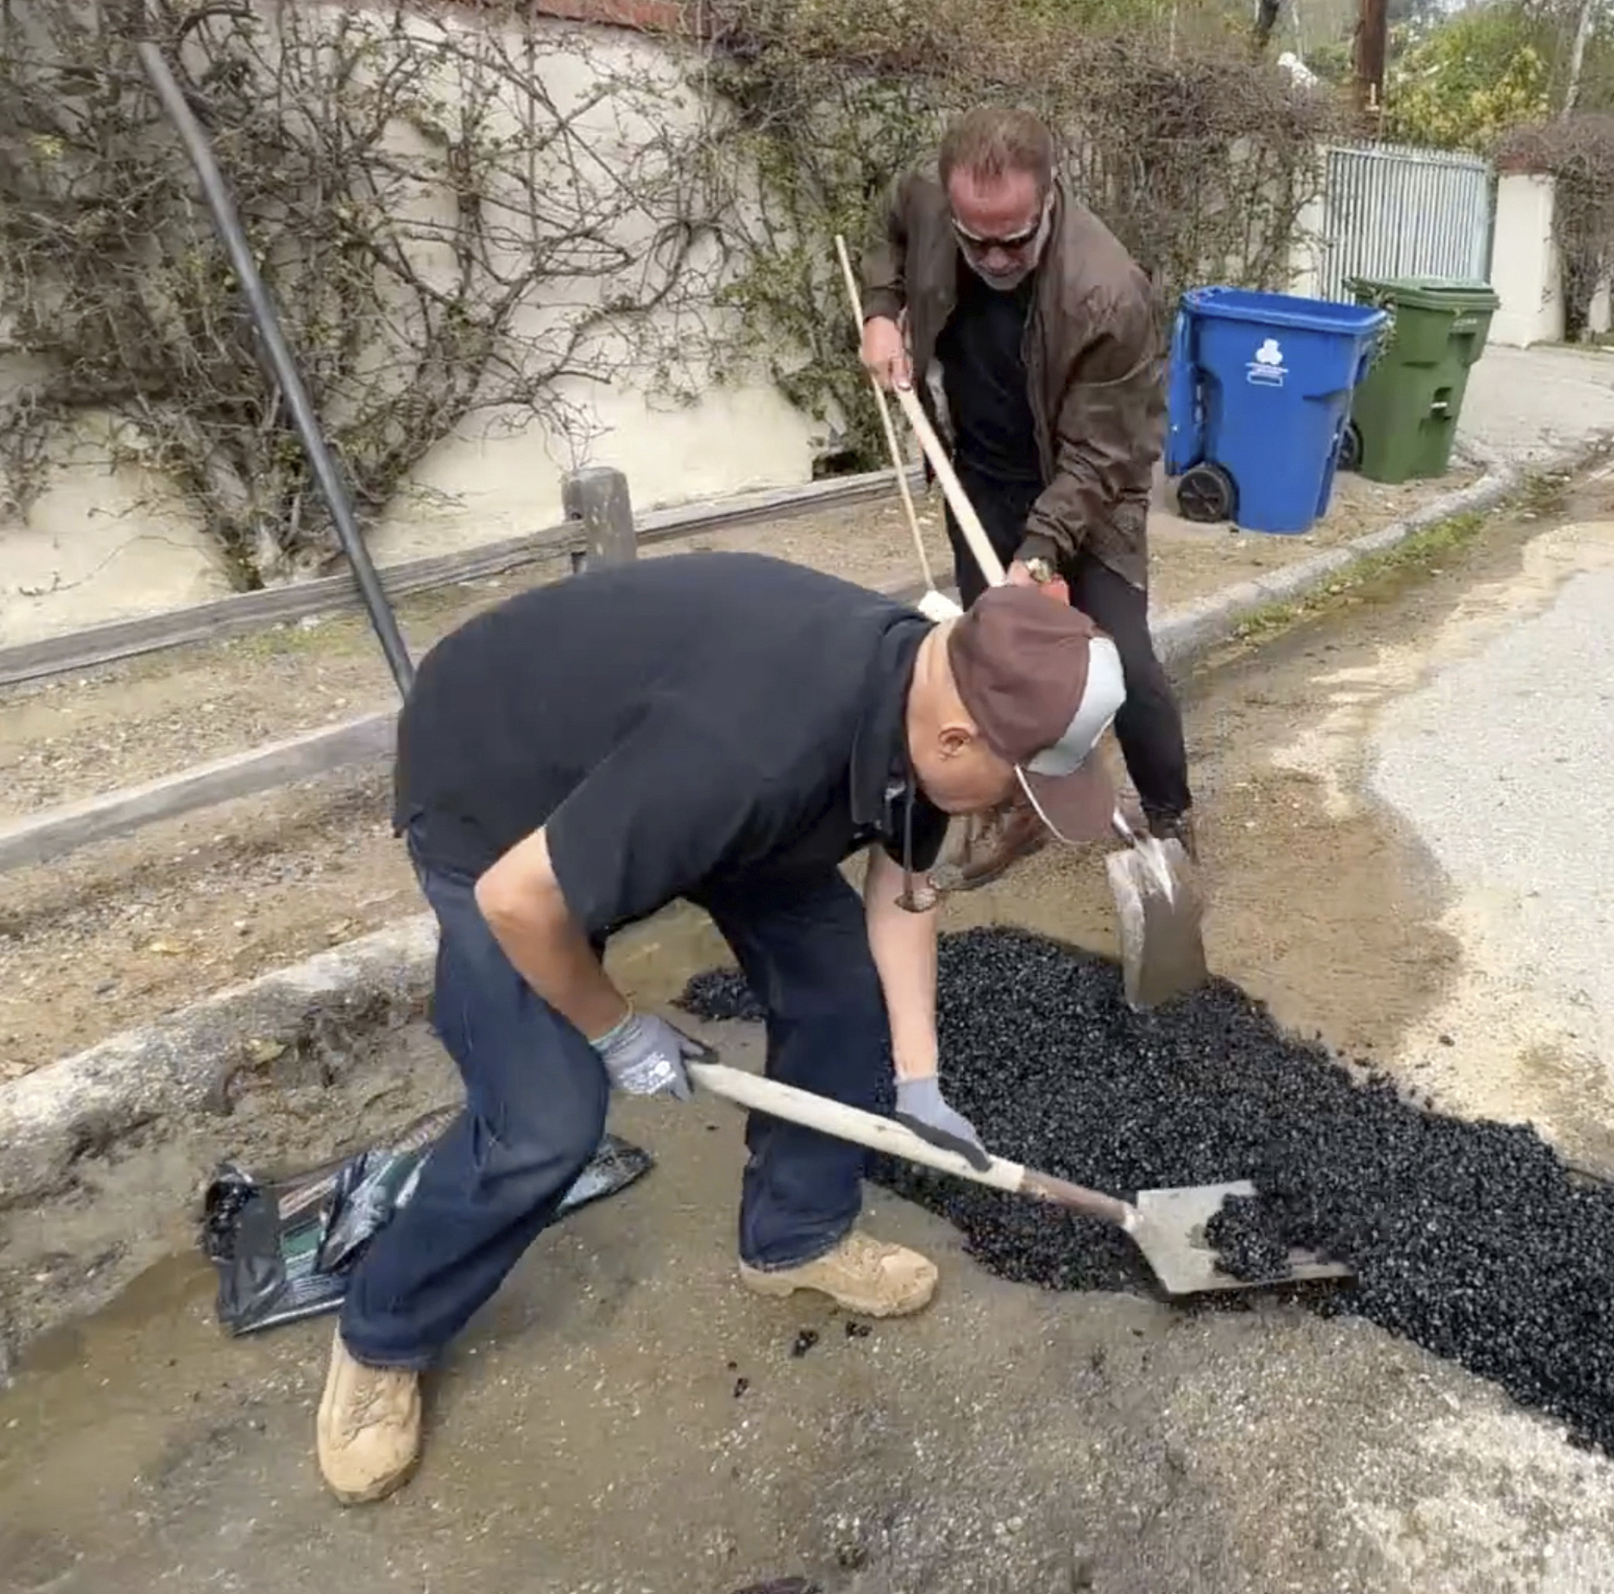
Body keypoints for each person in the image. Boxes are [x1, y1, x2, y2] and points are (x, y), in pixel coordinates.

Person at [316, 552, 1127, 1505]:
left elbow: (903, 894)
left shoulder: (916, 699)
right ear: (955, 738)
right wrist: (614, 1028)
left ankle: (795, 1236)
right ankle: (383, 1332)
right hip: (498, 789)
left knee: (840, 990)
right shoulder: (751, 750)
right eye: (1014, 786)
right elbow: (520, 899)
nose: (1010, 808)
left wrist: (919, 1078)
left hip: (678, 779)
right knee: (546, 1116)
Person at [856, 105, 1195, 890]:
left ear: (1049, 199)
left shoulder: (1108, 292)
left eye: (1017, 237)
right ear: (954, 207)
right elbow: (892, 230)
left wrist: (1039, 551)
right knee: (991, 658)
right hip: (980, 472)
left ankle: (1172, 821)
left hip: (1088, 483)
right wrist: (881, 311)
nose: (997, 256)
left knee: (1125, 660)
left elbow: (1105, 451)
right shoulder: (933, 203)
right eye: (978, 240)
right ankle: (1016, 803)